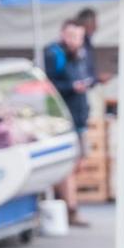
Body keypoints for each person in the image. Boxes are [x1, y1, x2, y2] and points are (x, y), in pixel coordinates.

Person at [44, 18, 95, 227]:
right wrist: (72, 87)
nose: (77, 41)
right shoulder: (54, 54)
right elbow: (49, 85)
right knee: (68, 165)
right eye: (73, 36)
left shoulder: (80, 55)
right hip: (63, 119)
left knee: (78, 163)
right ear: (64, 34)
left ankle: (64, 204)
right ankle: (70, 208)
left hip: (79, 116)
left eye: (80, 37)